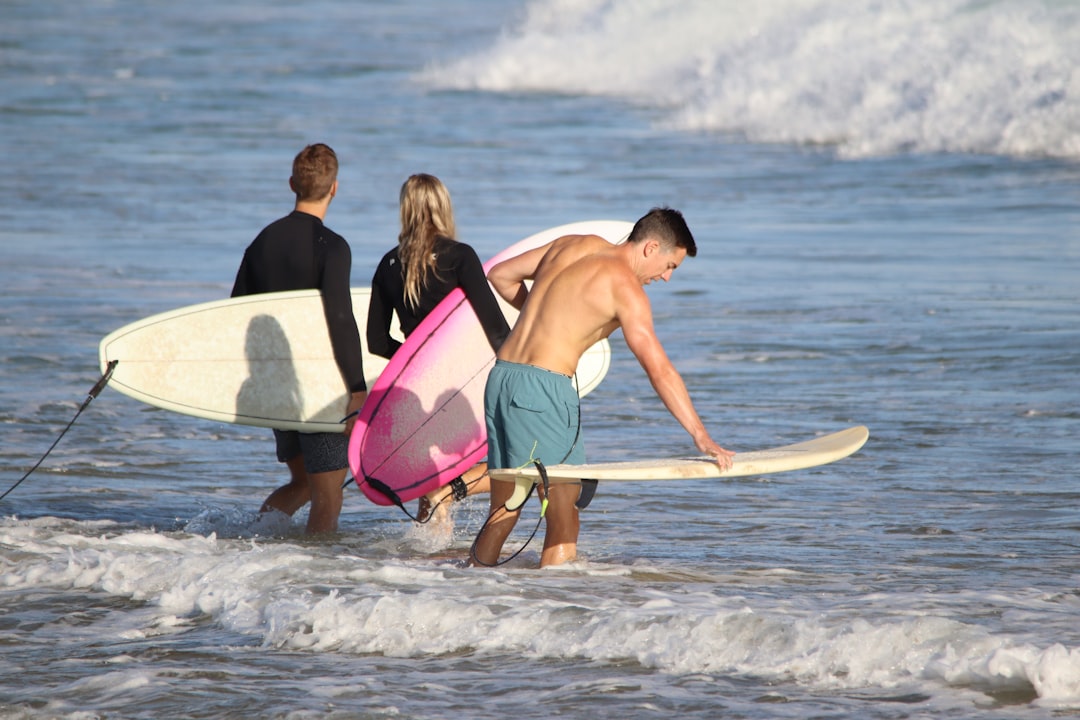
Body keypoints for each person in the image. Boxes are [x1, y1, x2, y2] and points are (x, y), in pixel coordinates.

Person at [470, 207, 735, 567]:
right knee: (563, 511)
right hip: (543, 391)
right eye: (670, 265)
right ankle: (559, 611)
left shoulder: (572, 245)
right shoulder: (625, 288)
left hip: (502, 378)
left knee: (506, 506)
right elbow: (659, 368)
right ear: (650, 247)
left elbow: (500, 275)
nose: (667, 278)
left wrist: (547, 317)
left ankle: (469, 588)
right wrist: (700, 435)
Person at [231, 143, 366, 535]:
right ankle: (313, 576)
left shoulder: (263, 241)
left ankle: (252, 542)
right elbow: (341, 319)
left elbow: (235, 312)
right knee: (326, 496)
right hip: (319, 390)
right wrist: (357, 391)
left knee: (303, 482)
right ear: (335, 188)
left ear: (292, 184)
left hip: (277, 386)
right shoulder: (332, 246)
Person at [367, 173, 510, 521]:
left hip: (413, 390)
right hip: (457, 385)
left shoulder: (387, 265)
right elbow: (496, 330)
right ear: (443, 207)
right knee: (511, 462)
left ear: (405, 210)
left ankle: (426, 560)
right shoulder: (459, 256)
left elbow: (376, 341)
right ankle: (451, 504)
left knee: (428, 477)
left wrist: (414, 362)